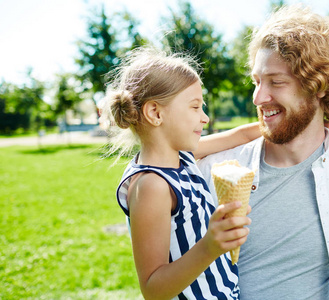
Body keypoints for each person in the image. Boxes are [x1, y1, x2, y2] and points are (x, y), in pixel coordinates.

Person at [198, 4, 329, 299]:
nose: (258, 97)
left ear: (319, 86)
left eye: (276, 82)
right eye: (257, 81)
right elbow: (147, 173)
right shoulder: (215, 169)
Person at [101, 47, 263, 299]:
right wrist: (210, 246)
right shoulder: (151, 186)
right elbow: (153, 289)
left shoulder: (183, 157)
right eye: (195, 107)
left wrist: (303, 124)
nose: (205, 118)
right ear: (156, 113)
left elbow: (239, 135)